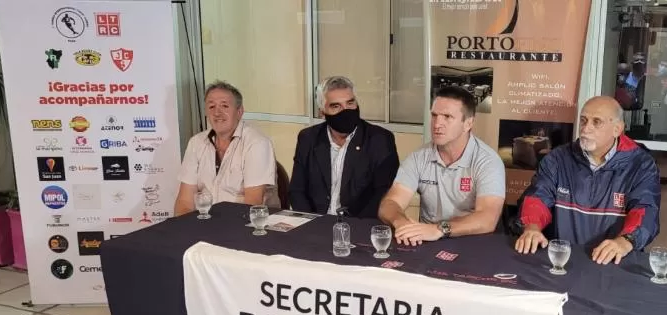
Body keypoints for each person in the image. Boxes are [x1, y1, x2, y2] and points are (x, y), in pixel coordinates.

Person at [514, 96, 661, 265]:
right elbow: (537, 197)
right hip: (562, 260)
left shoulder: (641, 164)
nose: (586, 129)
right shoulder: (557, 159)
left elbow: (646, 210)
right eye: (583, 121)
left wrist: (625, 241)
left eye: (596, 122)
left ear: (617, 129)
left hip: (614, 262)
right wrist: (532, 226)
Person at [378, 85, 505, 245]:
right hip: (427, 241)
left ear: (468, 123)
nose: (437, 124)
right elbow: (390, 203)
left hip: (472, 244)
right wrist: (400, 222)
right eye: (434, 115)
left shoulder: (487, 161)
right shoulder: (419, 157)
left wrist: (440, 229)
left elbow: (487, 218)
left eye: (447, 117)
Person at [288, 76, 399, 218]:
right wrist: (310, 224)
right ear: (323, 112)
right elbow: (297, 190)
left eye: (350, 103)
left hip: (359, 226)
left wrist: (352, 228)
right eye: (336, 106)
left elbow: (384, 194)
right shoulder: (308, 138)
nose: (345, 111)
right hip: (315, 224)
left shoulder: (380, 140)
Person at [174, 80, 279, 215]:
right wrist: (183, 230)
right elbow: (184, 201)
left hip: (245, 224)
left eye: (224, 106)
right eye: (211, 107)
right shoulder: (196, 143)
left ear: (239, 111)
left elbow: (252, 205)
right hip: (204, 224)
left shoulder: (257, 143)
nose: (217, 113)